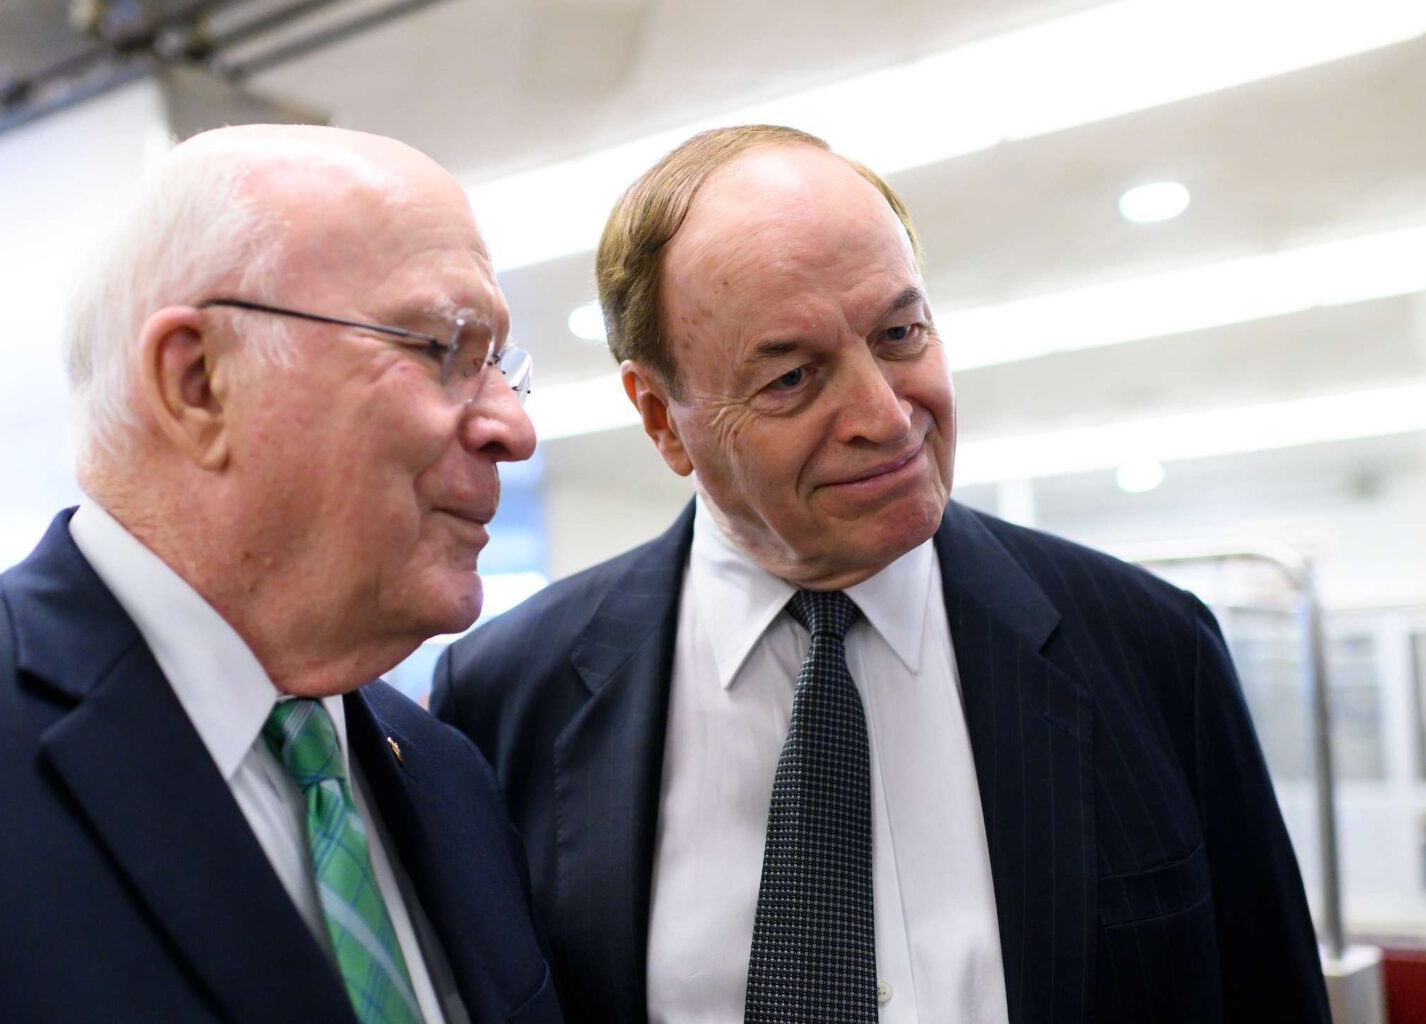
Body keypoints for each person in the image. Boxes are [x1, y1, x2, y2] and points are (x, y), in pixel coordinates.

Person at [431, 124, 1329, 1023]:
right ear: (663, 418)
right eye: (791, 378)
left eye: (901, 333)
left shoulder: (1150, 647)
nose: (888, 417)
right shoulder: (511, 696)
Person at [0, 125, 561, 1024]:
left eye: (502, 367)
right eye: (446, 349)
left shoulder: (447, 777)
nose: (511, 429)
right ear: (199, 380)